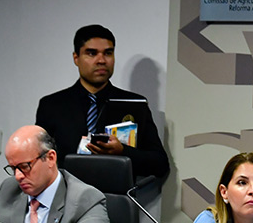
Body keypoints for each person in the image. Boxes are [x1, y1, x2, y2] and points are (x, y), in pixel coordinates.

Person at [35, 24, 169, 180]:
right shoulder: (52, 105)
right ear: (76, 58)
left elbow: (160, 165)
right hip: (66, 197)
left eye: (108, 53)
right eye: (91, 53)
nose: (101, 60)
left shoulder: (134, 104)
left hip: (115, 198)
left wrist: (122, 152)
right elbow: (39, 161)